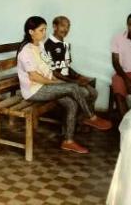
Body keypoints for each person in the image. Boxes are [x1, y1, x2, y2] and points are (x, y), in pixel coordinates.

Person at [17, 16, 112, 154]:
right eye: (41, 30)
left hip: (46, 86)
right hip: (34, 90)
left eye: (45, 30)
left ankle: (68, 141)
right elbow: (34, 76)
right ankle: (91, 117)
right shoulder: (26, 50)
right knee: (73, 87)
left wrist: (57, 81)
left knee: (72, 103)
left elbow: (49, 67)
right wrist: (54, 83)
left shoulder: (41, 45)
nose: (44, 33)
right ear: (31, 32)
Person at [43, 16, 98, 114]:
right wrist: (74, 81)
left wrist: (79, 76)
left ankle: (84, 120)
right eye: (63, 26)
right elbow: (52, 72)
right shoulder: (48, 45)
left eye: (68, 26)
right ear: (55, 27)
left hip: (67, 79)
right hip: (56, 82)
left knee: (93, 92)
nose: (66, 29)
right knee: (85, 92)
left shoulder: (65, 45)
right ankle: (84, 118)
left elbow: (66, 67)